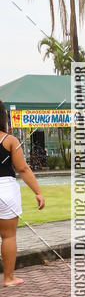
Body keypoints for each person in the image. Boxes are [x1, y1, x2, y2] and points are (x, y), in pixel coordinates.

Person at [0, 101, 45, 286]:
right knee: (8, 236)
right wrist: (38, 192)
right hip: (5, 190)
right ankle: (8, 278)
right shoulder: (10, 140)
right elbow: (23, 169)